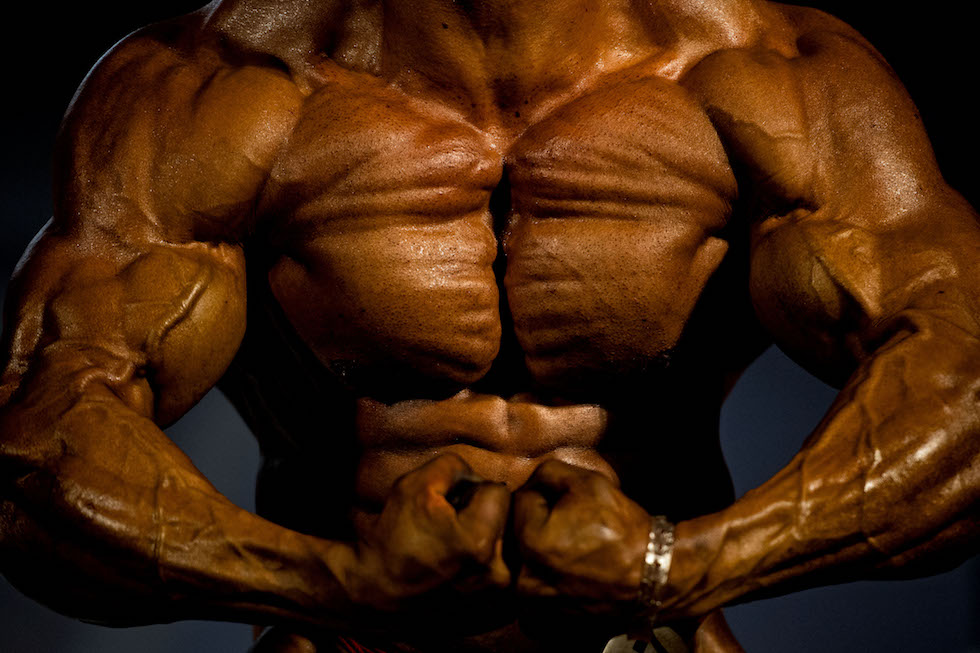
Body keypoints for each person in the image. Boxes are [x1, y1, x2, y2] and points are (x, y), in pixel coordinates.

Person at [0, 1, 977, 651]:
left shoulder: (770, 73)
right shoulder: (212, 87)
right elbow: (34, 455)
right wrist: (332, 584)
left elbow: (963, 390)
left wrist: (675, 567)